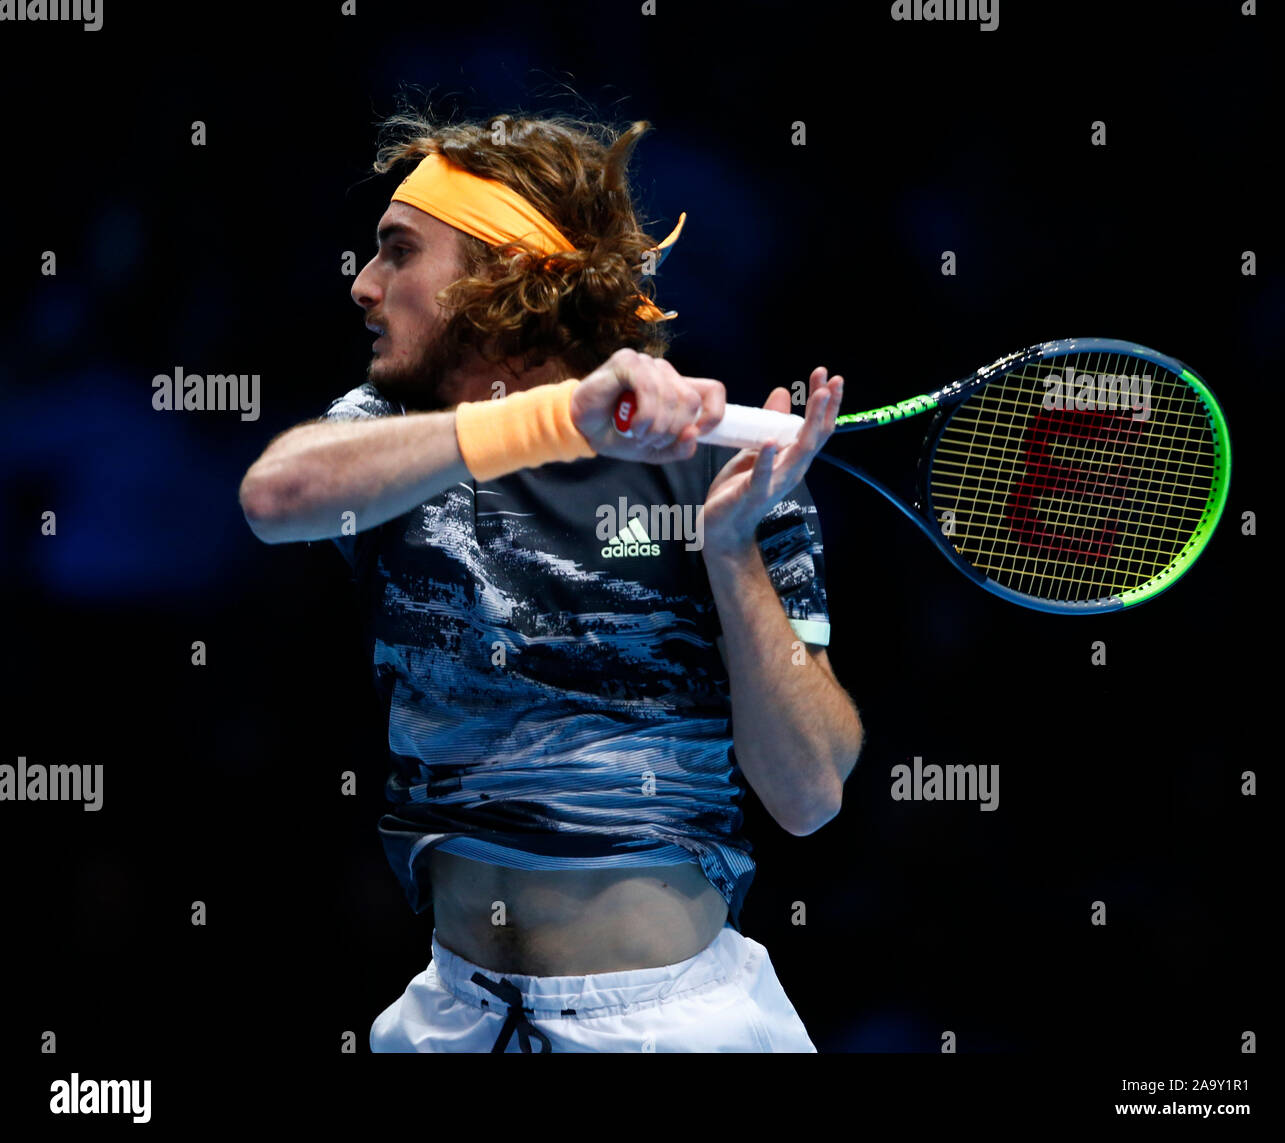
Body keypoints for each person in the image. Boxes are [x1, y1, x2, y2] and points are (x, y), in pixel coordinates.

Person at [238, 110, 863, 1052]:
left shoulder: (719, 466)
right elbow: (274, 495)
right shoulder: (391, 429)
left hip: (674, 1022)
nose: (364, 286)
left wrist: (731, 549)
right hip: (455, 1015)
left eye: (398, 253)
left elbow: (810, 791)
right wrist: (559, 418)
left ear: (504, 278)